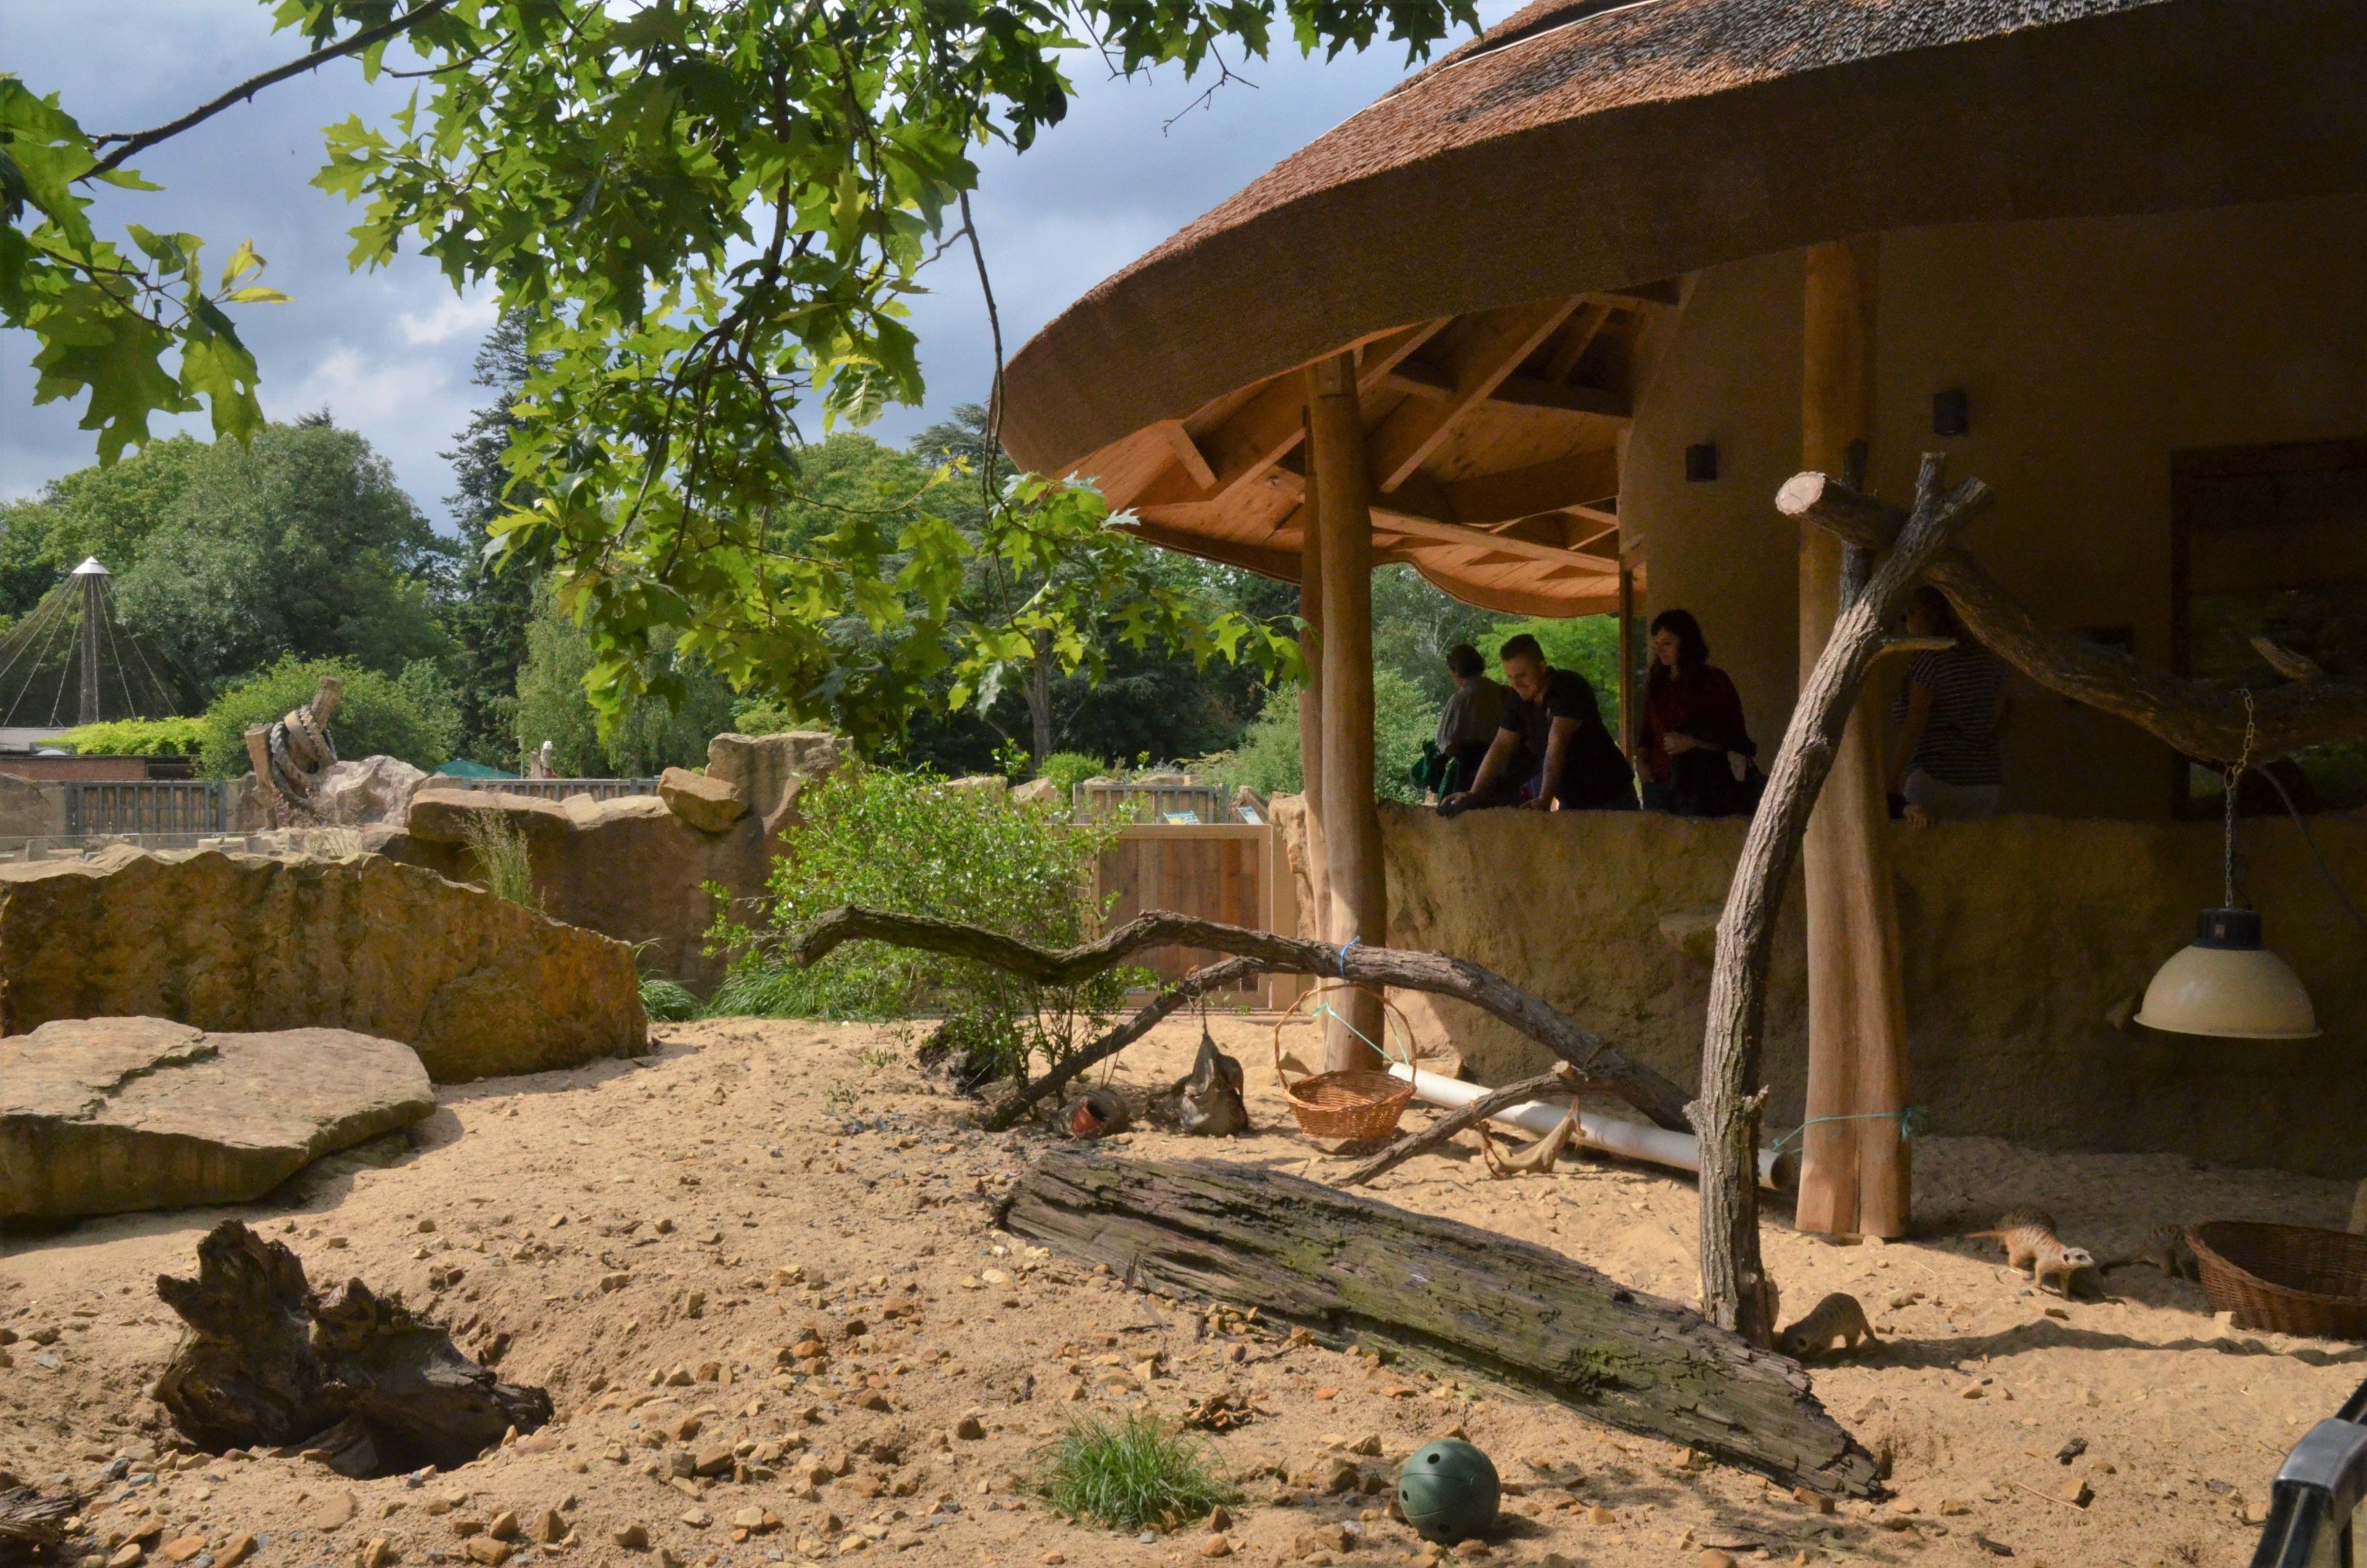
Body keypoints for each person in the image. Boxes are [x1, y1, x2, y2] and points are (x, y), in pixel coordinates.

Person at [1440, 634, 1636, 814]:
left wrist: (1544, 799)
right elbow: (1501, 745)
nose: (1516, 684)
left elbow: (1556, 745)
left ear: (1542, 666)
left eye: (1522, 675)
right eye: (1510, 677)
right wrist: (1475, 792)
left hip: (1612, 795)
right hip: (1572, 800)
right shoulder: (1517, 699)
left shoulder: (1568, 687)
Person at [1887, 587, 2009, 826]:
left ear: (1928, 614)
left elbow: (1915, 722)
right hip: (1985, 780)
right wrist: (1983, 742)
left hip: (1935, 776)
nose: (1907, 623)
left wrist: (1890, 781)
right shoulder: (1987, 656)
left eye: (1910, 614)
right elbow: (2009, 706)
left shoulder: (1931, 658)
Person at [1638, 608, 1759, 817]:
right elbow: (1647, 732)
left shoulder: (1713, 682)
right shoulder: (1658, 684)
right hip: (1659, 781)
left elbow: (1736, 738)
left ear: (1685, 643)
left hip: (1700, 785)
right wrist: (1641, 762)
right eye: (1657, 645)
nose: (1661, 651)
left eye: (1667, 644)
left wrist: (1692, 742)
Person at [1428, 644, 1506, 797]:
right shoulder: (1504, 693)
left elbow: (1447, 745)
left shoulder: (1461, 700)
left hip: (1469, 774)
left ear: (1455, 670)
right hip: (1505, 772)